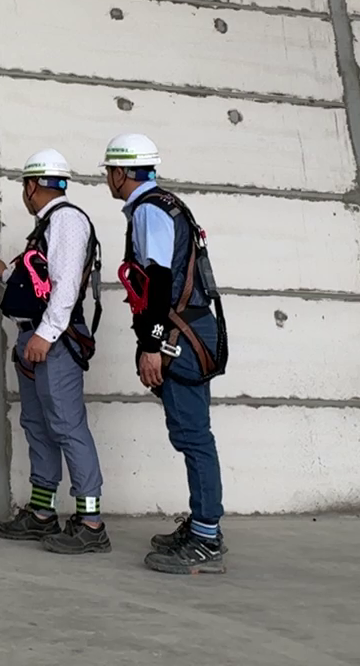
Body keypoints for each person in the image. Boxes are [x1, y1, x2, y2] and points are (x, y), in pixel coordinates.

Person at [102, 133, 230, 575]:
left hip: (180, 334)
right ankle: (202, 525)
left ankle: (206, 538)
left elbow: (156, 279)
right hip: (191, 327)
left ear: (122, 172)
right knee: (192, 433)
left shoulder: (149, 210)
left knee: (194, 436)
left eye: (109, 171)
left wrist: (151, 345)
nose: (108, 178)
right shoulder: (168, 204)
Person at [0, 149, 108, 555]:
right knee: (37, 424)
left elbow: (66, 284)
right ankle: (42, 513)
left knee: (67, 425)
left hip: (53, 341)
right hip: (36, 338)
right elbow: (40, 280)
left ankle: (91, 523)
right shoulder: (48, 224)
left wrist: (46, 334)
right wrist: (5, 273)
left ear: (31, 186)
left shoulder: (67, 221)